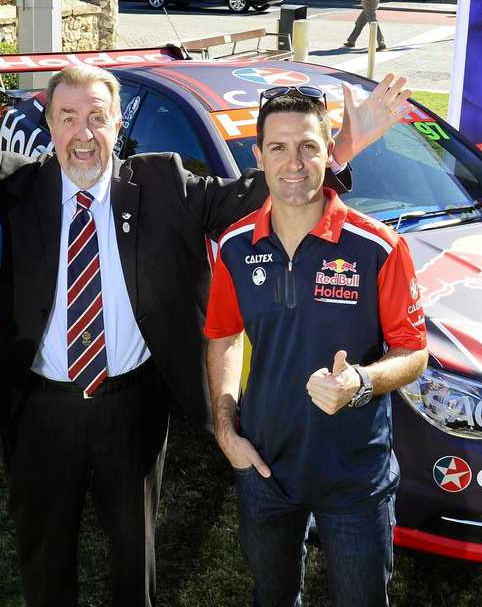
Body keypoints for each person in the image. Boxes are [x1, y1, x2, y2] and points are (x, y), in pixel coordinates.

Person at [0, 57, 412, 607]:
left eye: (97, 117)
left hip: (131, 404)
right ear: (48, 125)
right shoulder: (14, 188)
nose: (84, 134)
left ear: (118, 124)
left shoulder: (164, 183)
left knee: (134, 563)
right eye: (68, 118)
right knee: (44, 559)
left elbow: (266, 189)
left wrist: (343, 146)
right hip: (38, 409)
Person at [204, 86, 427, 607]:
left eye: (308, 146)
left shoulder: (379, 248)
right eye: (277, 148)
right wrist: (225, 426)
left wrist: (362, 382)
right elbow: (224, 334)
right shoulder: (235, 247)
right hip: (264, 468)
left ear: (331, 150)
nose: (294, 163)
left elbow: (414, 351)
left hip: (354, 477)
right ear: (257, 157)